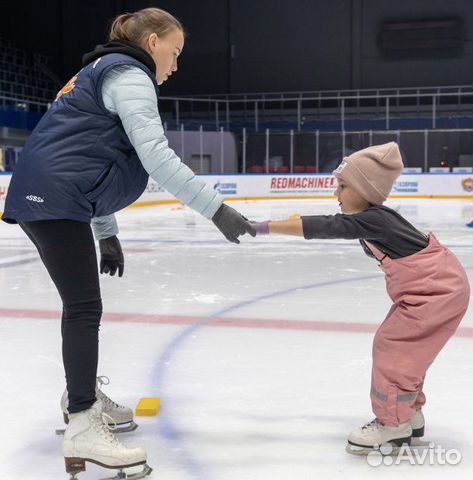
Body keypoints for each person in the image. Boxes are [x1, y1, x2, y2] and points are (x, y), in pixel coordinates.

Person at [2, 7, 254, 478]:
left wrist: (108, 233)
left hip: (56, 193)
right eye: (174, 52)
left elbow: (92, 157)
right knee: (82, 308)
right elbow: (155, 157)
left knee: (81, 306)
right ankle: (81, 420)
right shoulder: (130, 75)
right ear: (153, 41)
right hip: (55, 198)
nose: (175, 66)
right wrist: (215, 209)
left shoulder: (99, 70)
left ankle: (81, 394)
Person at [251, 142, 470, 454]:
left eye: (343, 187)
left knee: (394, 349)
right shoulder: (374, 220)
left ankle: (392, 426)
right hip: (435, 290)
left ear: (365, 189)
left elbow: (326, 226)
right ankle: (408, 416)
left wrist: (261, 227)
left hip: (435, 293)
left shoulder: (375, 219)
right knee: (406, 354)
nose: (336, 195)